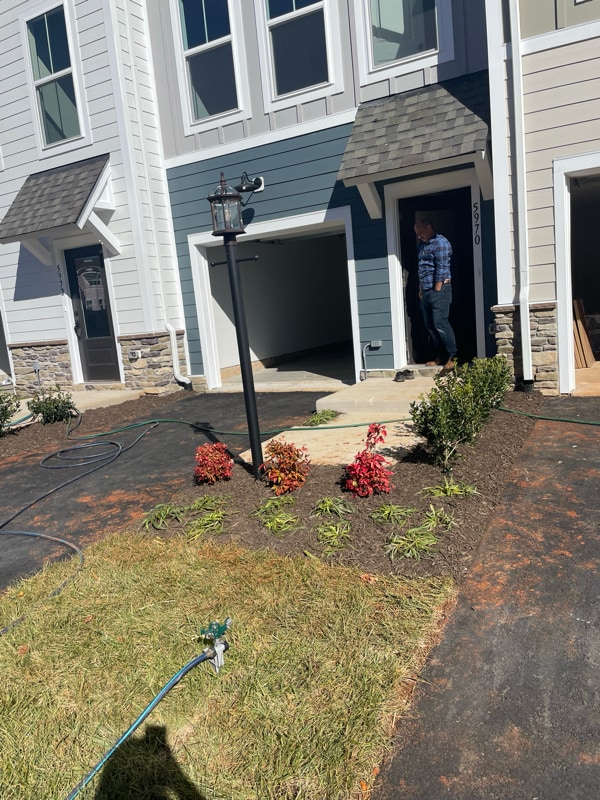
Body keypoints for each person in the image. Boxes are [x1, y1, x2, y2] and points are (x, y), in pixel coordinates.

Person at [414, 217, 457, 370]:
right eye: (417, 233)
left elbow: (442, 267)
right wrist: (421, 289)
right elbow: (422, 268)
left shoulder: (441, 243)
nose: (419, 236)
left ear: (429, 228)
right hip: (426, 290)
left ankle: (453, 356)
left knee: (440, 323)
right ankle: (442, 356)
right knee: (430, 325)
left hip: (440, 289)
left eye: (420, 232)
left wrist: (437, 288)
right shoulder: (422, 245)